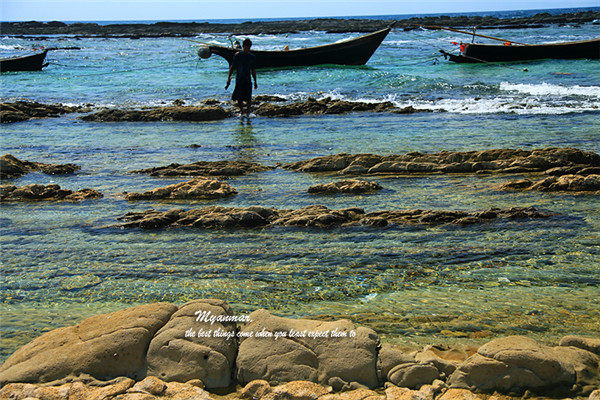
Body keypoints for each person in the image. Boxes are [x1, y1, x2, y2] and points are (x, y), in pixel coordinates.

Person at [226, 38, 257, 117]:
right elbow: (232, 67)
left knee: (248, 98)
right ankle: (242, 111)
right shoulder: (238, 55)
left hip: (247, 79)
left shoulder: (252, 57)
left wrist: (255, 82)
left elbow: (253, 70)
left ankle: (247, 112)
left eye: (248, 48)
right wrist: (228, 78)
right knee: (239, 98)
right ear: (243, 47)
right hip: (239, 79)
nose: (247, 49)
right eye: (245, 48)